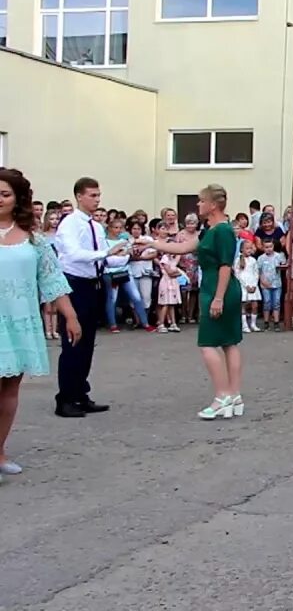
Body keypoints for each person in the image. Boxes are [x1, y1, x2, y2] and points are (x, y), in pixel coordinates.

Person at [0, 169, 81, 483]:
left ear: (18, 198)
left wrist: (70, 315)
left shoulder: (34, 239)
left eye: (5, 194)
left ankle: (1, 452)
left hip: (19, 322)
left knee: (9, 389)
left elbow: (52, 279)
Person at [139, 185, 246, 420]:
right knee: (229, 343)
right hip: (213, 287)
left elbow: (225, 265)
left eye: (200, 201)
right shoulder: (210, 230)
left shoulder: (223, 231)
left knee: (208, 343)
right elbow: (184, 247)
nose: (197, 205)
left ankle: (222, 397)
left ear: (213, 205)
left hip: (219, 289)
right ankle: (233, 396)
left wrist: (218, 298)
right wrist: (153, 244)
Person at [52, 177, 129, 418]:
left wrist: (127, 252)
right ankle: (65, 398)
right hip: (75, 285)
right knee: (73, 342)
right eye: (92, 195)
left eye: (98, 195)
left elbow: (104, 257)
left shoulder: (95, 226)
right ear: (79, 197)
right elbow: (74, 255)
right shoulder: (70, 224)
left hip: (94, 283)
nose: (97, 200)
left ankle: (80, 394)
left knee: (87, 344)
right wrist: (107, 251)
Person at [235, 241, 262, 333]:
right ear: (242, 249)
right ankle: (244, 325)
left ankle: (253, 324)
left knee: (254, 305)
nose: (249, 250)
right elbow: (237, 274)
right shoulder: (238, 260)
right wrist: (245, 285)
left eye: (251, 248)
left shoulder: (253, 260)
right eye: (247, 248)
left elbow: (256, 273)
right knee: (243, 305)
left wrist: (254, 285)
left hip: (252, 284)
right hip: (243, 285)